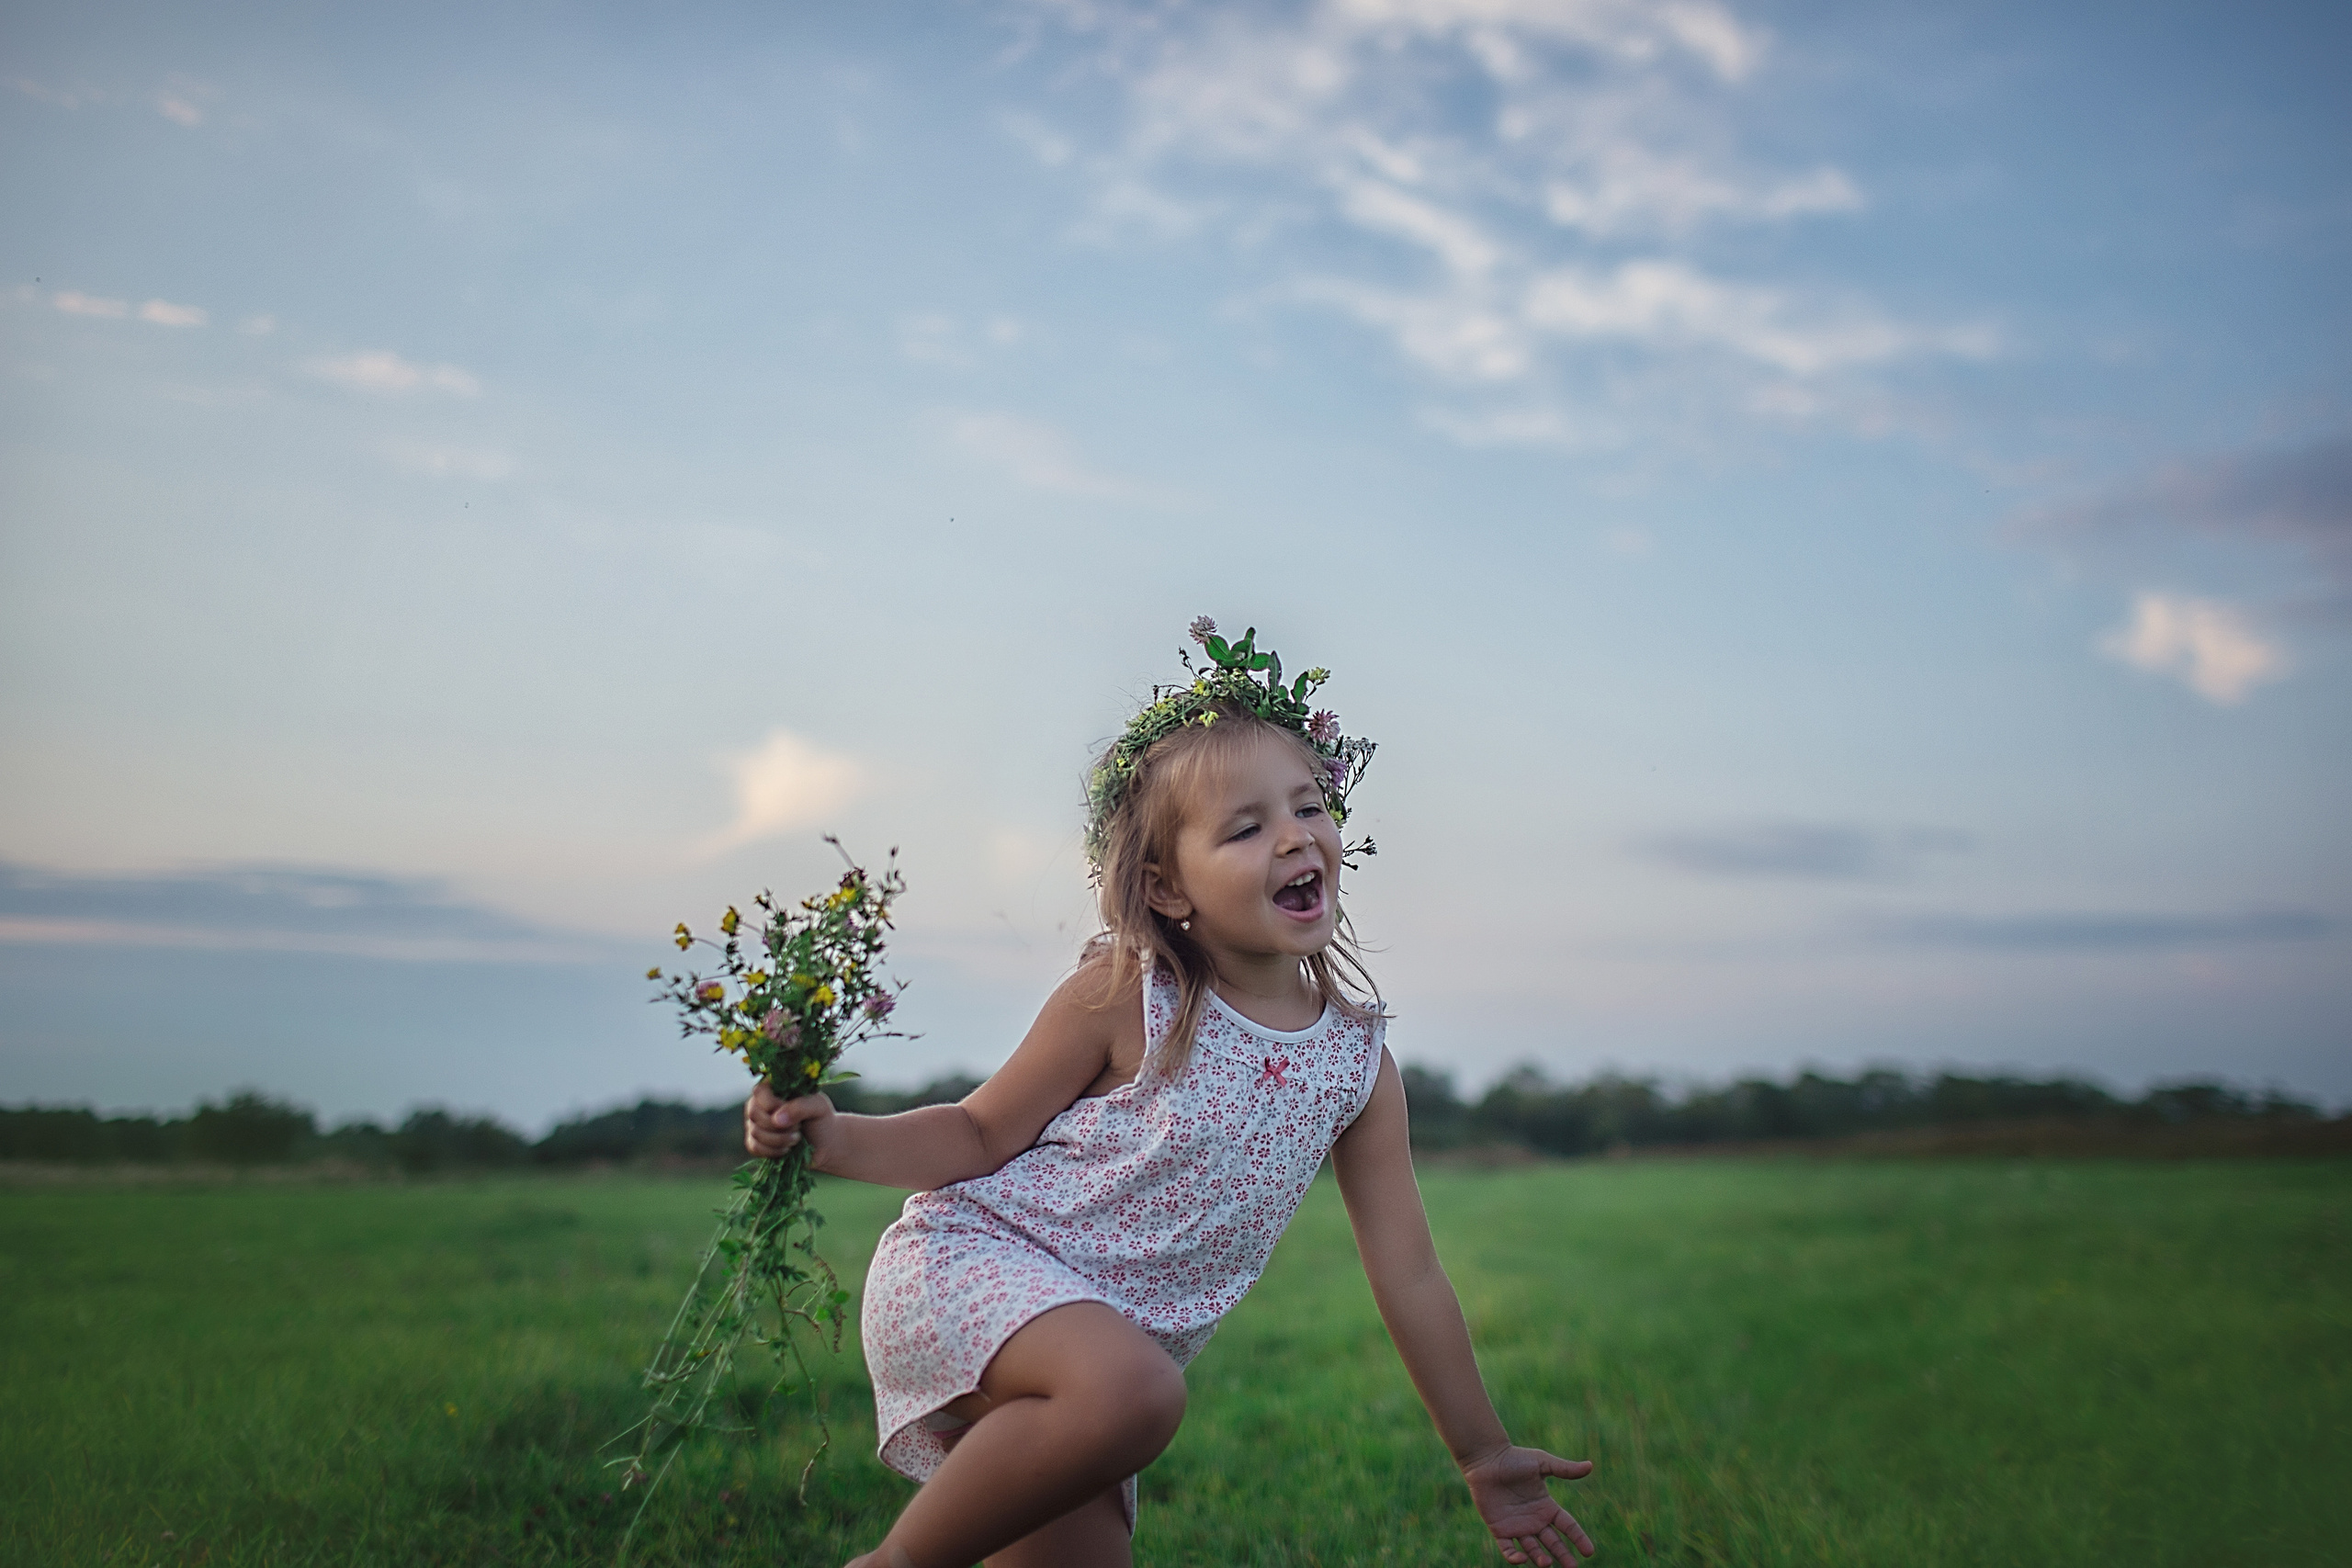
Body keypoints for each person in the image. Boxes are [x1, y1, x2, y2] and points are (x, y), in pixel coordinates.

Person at [745, 619, 1597, 1568]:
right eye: (1245, 827)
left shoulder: (1359, 1067)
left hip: (1099, 1359)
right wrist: (829, 1140)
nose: (1293, 836)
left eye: (1309, 807)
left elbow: (1409, 1276)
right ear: (1167, 885)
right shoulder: (1126, 995)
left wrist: (1483, 1454)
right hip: (976, 1271)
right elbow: (977, 1132)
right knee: (1140, 1396)